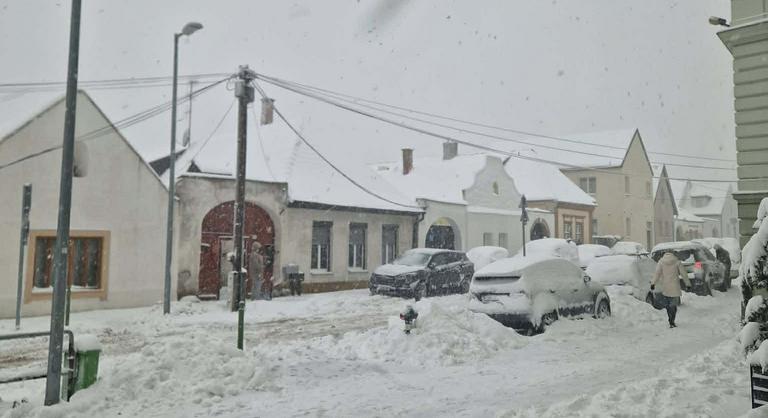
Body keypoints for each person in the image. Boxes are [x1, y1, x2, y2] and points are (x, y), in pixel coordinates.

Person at [652, 251, 692, 328]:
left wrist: (653, 283)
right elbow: (684, 274)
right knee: (673, 305)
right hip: (675, 287)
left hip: (666, 287)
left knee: (668, 305)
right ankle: (672, 320)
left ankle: (670, 319)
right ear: (672, 255)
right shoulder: (677, 261)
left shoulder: (661, 262)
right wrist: (688, 284)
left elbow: (657, 273)